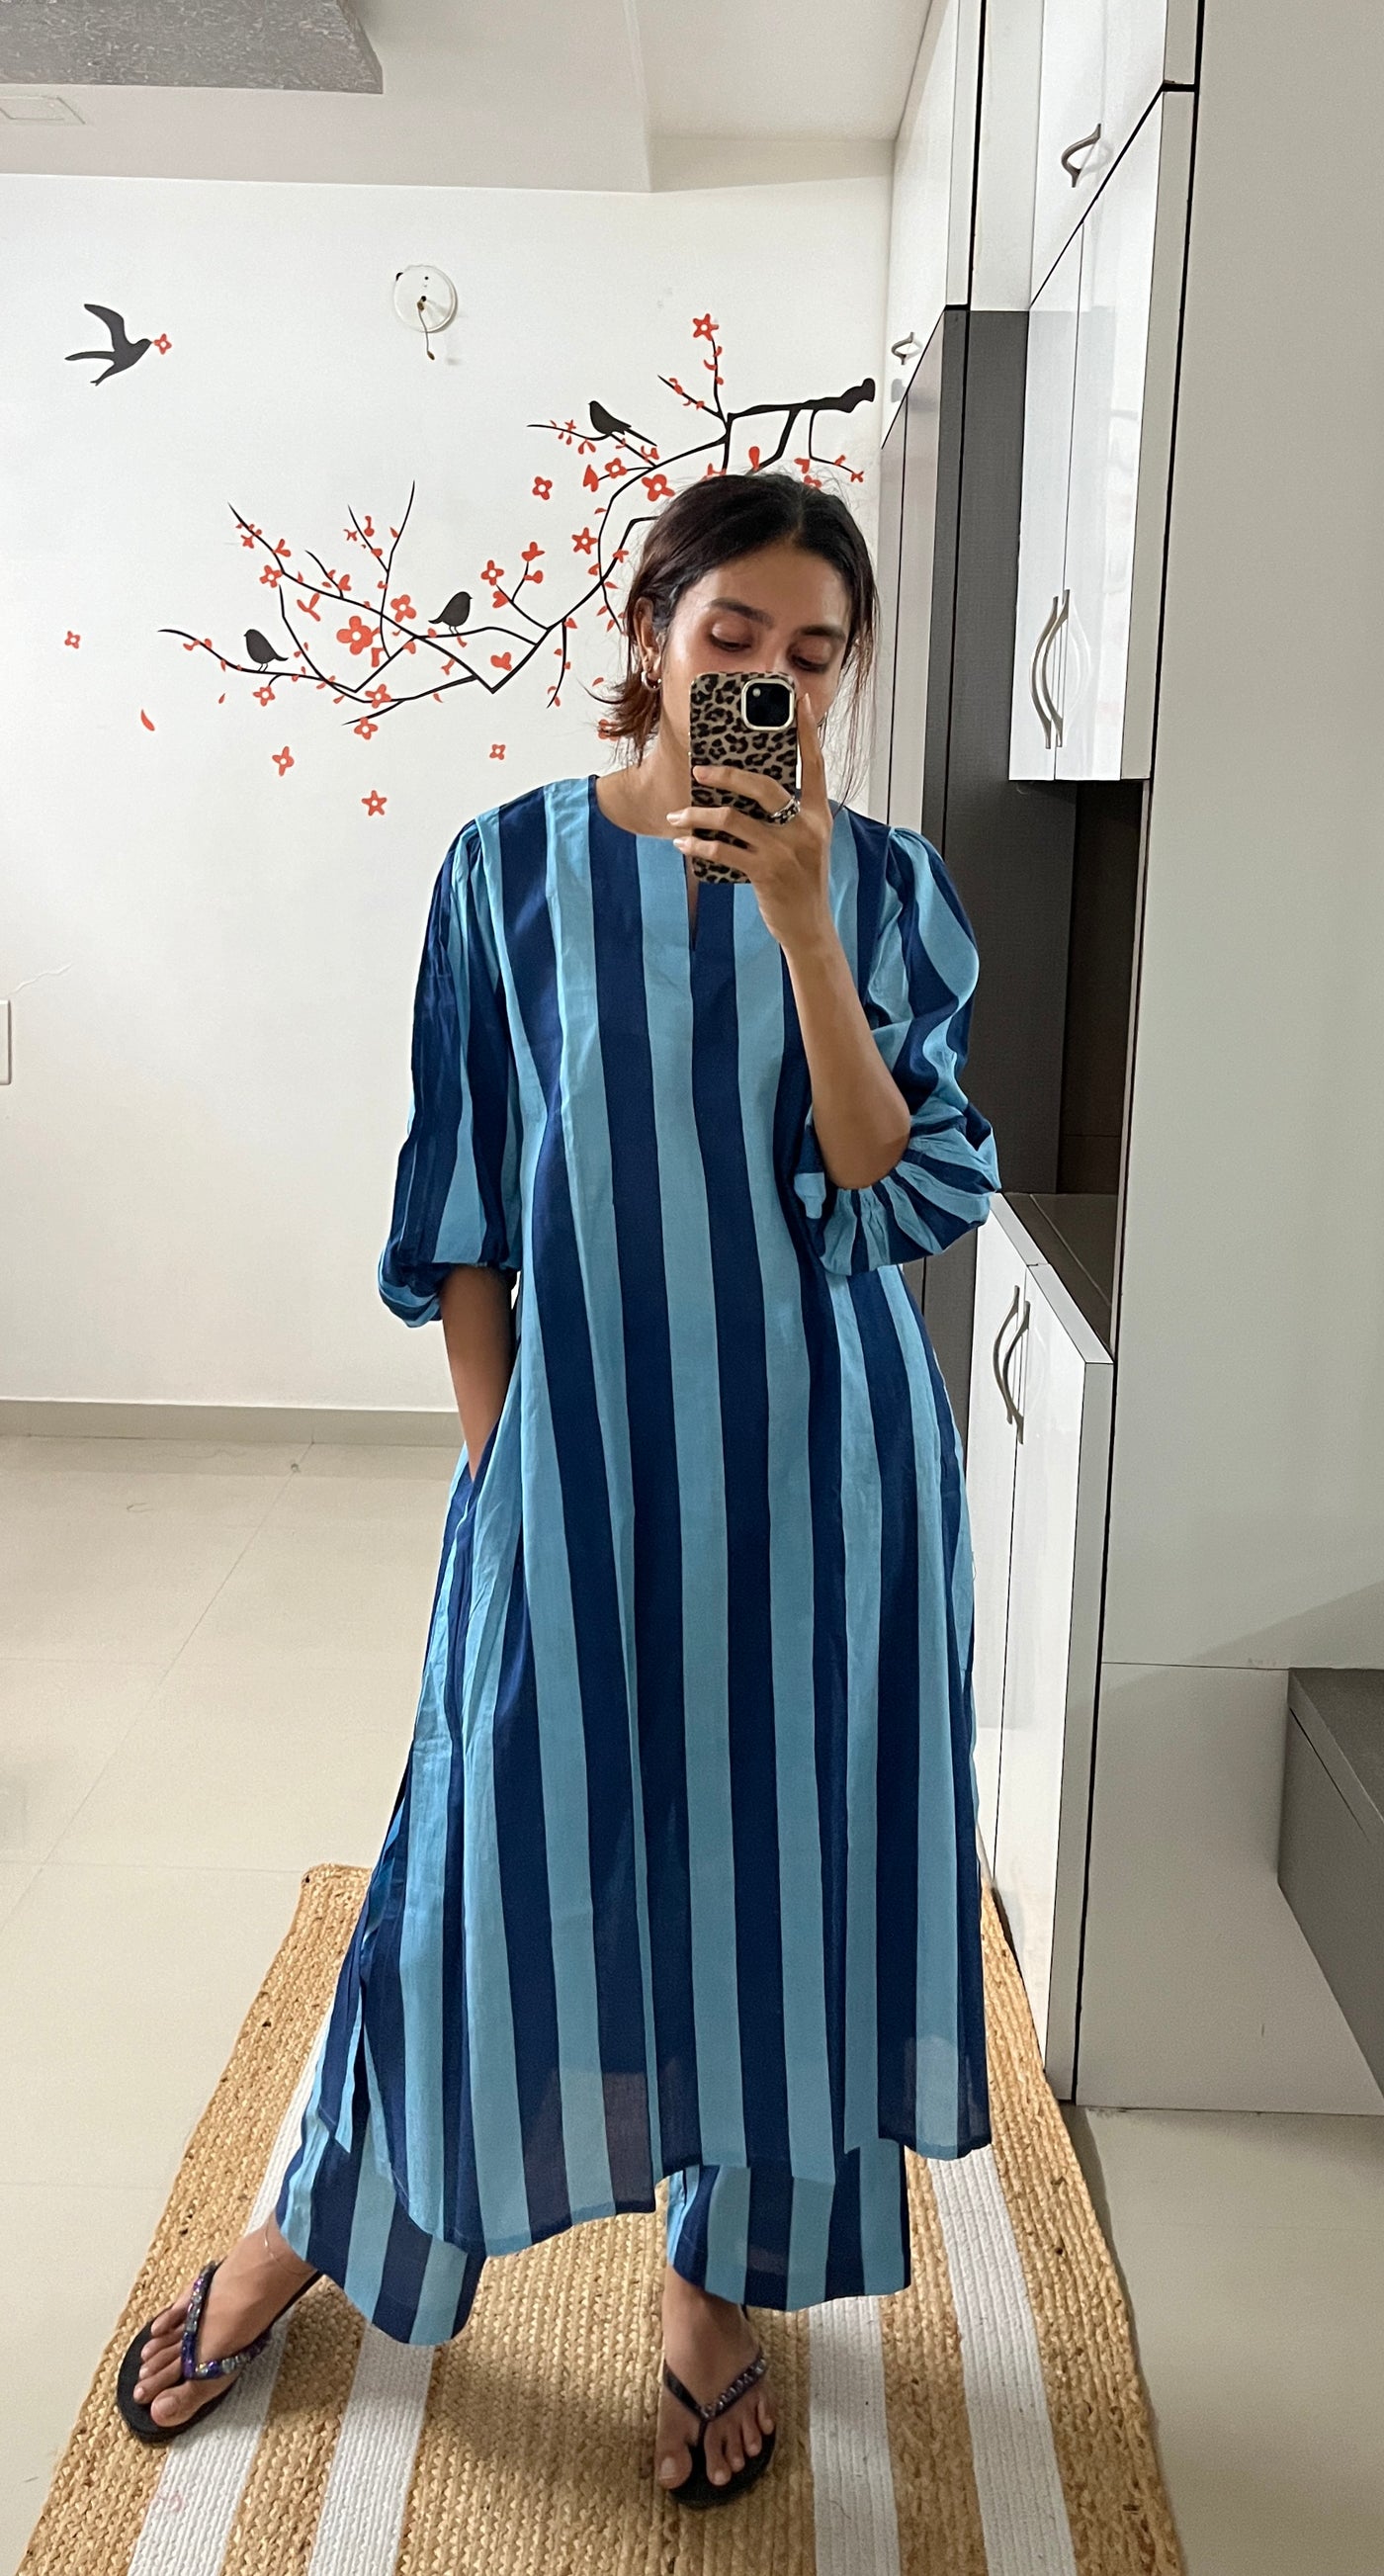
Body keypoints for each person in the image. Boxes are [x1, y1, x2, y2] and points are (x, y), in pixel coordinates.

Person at [118, 468, 1000, 2508]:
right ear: (650, 635)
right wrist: (499, 1467)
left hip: (821, 1481)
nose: (769, 677)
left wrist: (801, 922)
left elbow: (898, 1184)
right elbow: (460, 1212)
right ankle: (322, 2217)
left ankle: (713, 2282)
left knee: (776, 1881)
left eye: (813, 655)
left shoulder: (883, 889)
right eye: (731, 636)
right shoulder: (504, 870)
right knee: (476, 1865)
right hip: (571, 1465)